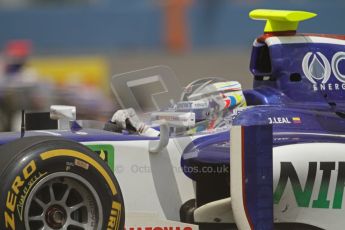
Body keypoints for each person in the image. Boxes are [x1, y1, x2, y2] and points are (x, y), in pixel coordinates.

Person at [107, 79, 246, 137]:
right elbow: (161, 132)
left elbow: (171, 146)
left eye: (198, 107)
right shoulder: (187, 130)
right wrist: (135, 125)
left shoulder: (227, 143)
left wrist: (142, 128)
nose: (188, 110)